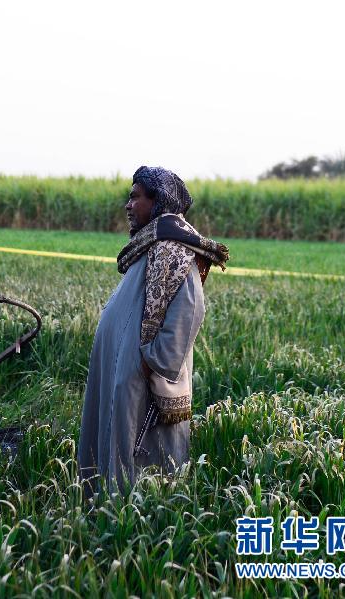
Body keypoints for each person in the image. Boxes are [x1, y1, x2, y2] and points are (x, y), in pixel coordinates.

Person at [78, 166, 229, 493]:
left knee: (141, 465)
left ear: (157, 200)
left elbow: (190, 310)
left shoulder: (175, 250)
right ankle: (105, 512)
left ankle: (135, 526)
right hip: (125, 374)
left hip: (142, 379)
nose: (128, 206)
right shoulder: (150, 245)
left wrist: (150, 362)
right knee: (114, 451)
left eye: (135, 197)